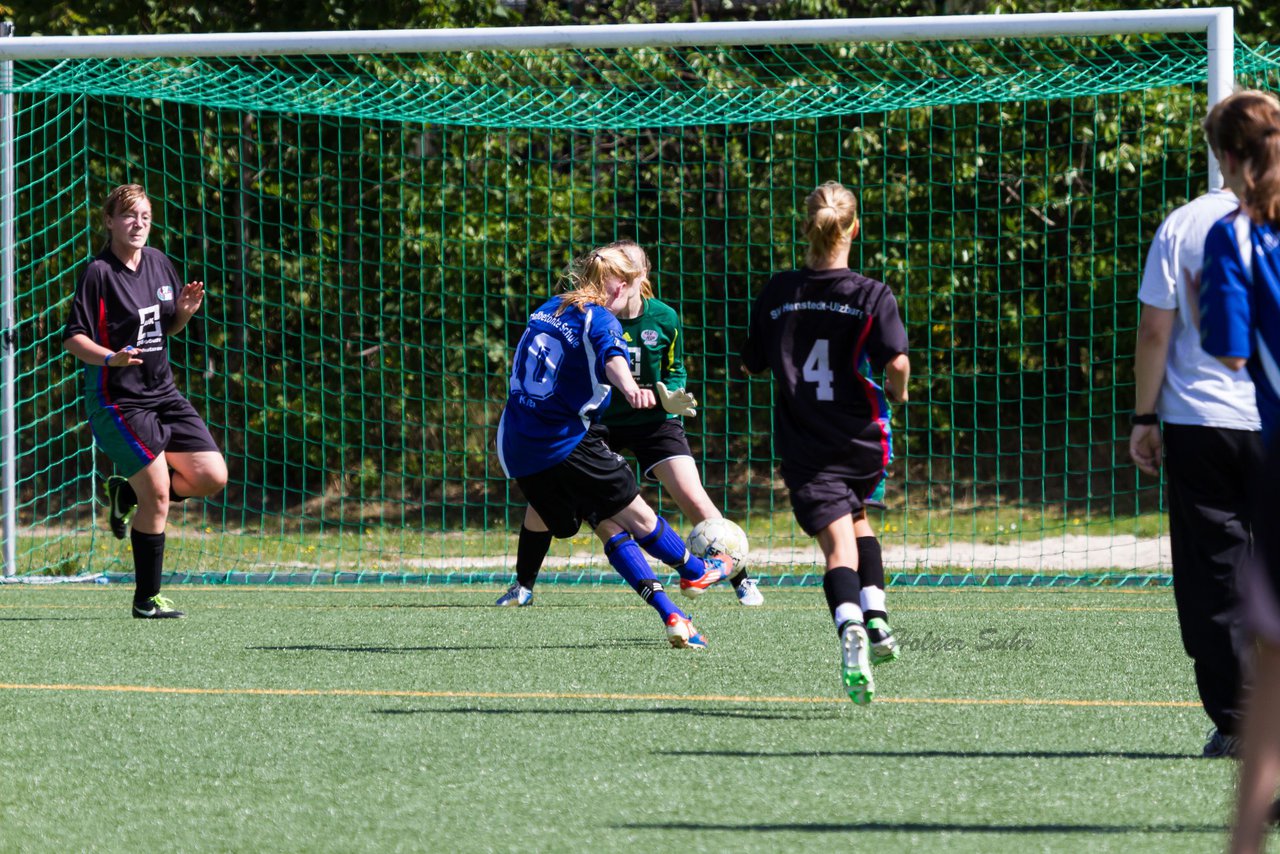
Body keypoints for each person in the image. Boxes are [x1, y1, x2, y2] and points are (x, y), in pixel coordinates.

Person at [497, 240, 763, 608]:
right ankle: (523, 585)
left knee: (691, 494)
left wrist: (670, 393)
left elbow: (676, 367)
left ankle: (739, 578)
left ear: (637, 278)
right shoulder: (591, 314)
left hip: (653, 422)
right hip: (600, 423)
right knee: (546, 504)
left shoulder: (663, 318)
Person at [740, 181, 909, 703]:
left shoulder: (778, 292)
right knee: (858, 522)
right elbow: (897, 363)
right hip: (862, 441)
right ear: (853, 227)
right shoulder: (871, 293)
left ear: (806, 228)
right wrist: (898, 393)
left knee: (837, 548)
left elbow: (750, 364)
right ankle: (876, 619)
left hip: (807, 446)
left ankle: (851, 628)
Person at [1129, 137, 1264, 757]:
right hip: (1269, 415)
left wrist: (1144, 415)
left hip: (1201, 422)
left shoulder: (1182, 224)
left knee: (1215, 572)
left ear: (1218, 151)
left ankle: (1239, 722)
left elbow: (1156, 329)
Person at [62, 184, 228, 619]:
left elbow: (165, 328)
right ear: (110, 222)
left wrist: (185, 315)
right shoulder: (98, 272)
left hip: (163, 393)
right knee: (157, 490)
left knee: (212, 476)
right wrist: (110, 359)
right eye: (130, 216)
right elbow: (73, 339)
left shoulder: (158, 263)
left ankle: (128, 496)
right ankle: (146, 599)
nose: (139, 224)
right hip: (119, 402)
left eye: (146, 218)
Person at [1196, 89, 1280, 854]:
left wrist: (1198, 301)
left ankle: (1247, 841)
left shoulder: (1236, 238)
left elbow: (1226, 346)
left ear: (1226, 158)